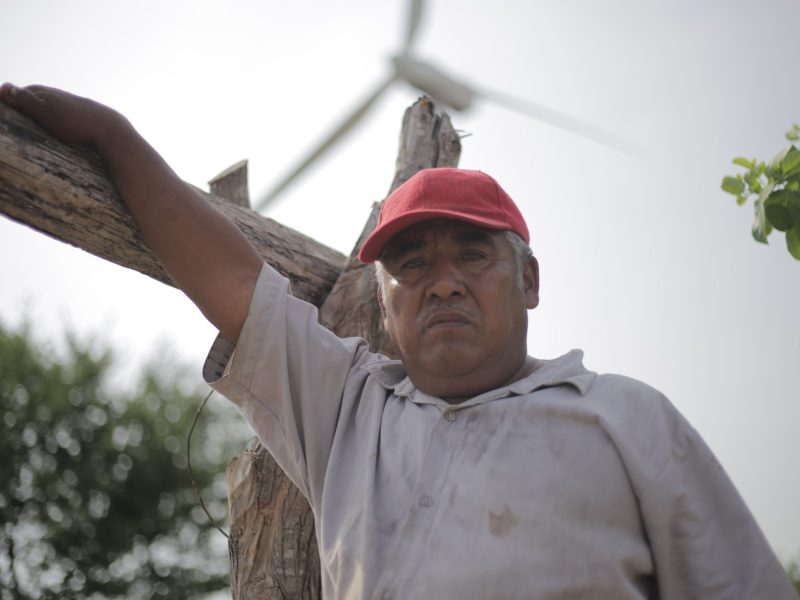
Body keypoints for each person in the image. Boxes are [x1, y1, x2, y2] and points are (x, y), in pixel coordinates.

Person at [1, 83, 796, 600]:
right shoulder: (349, 412)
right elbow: (233, 281)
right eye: (411, 263)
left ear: (530, 282)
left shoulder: (627, 418)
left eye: (473, 254)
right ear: (383, 298)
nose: (442, 281)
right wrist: (115, 136)